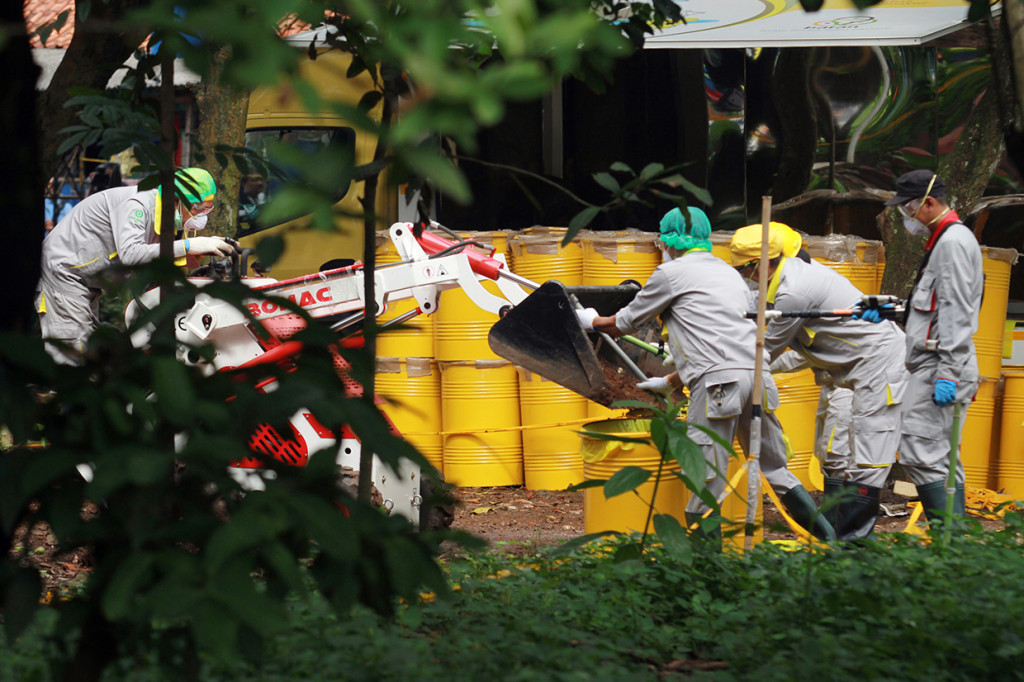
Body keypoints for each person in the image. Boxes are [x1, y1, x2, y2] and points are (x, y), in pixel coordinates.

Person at [578, 207, 835, 544]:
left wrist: (591, 321)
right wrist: (670, 381)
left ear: (669, 239)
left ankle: (707, 573)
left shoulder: (670, 273)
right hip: (758, 378)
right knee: (776, 470)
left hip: (718, 386)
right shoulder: (728, 272)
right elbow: (718, 343)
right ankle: (834, 545)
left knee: (704, 479)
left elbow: (625, 323)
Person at [729, 222, 908, 541]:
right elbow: (792, 350)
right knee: (838, 453)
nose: (746, 276)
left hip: (878, 364)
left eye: (746, 269)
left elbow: (765, 349)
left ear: (763, 262)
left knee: (869, 454)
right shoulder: (783, 283)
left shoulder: (793, 291)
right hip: (850, 367)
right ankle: (837, 533)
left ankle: (852, 549)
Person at [36, 167, 236, 365]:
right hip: (62, 270)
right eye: (199, 209)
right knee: (72, 345)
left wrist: (201, 250)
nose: (202, 216)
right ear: (177, 200)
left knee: (87, 344)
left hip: (84, 278)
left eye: (208, 209)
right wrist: (188, 246)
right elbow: (131, 254)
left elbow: (161, 256)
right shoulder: (138, 206)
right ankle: (68, 394)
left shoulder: (164, 215)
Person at [882, 169, 983, 525]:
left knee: (920, 453)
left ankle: (948, 542)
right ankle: (951, 549)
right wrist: (896, 311)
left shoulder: (952, 243)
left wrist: (949, 374)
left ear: (927, 203)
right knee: (939, 456)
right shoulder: (944, 240)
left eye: (907, 208)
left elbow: (956, 312)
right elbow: (936, 304)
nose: (906, 217)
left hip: (941, 365)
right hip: (937, 362)